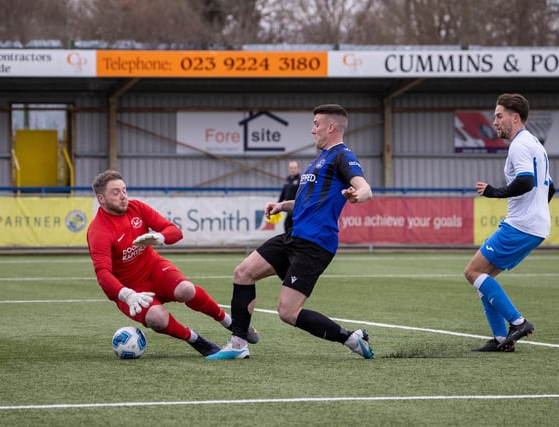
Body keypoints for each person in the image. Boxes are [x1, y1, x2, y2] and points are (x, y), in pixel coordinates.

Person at [206, 104, 375, 360]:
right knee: (243, 272)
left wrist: (356, 195)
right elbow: (306, 204)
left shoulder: (343, 156)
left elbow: (365, 189)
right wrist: (281, 206)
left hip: (315, 244)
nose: (312, 129)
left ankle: (351, 338)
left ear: (330, 127)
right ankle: (238, 344)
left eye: (316, 124)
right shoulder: (318, 160)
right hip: (294, 237)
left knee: (288, 313)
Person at [87, 169, 259, 356]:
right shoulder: (99, 231)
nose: (123, 196)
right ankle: (196, 339)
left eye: (124, 190)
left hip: (154, 269)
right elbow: (103, 273)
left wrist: (160, 237)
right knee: (156, 318)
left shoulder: (137, 208)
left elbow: (175, 231)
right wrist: (126, 295)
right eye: (116, 192)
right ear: (101, 199)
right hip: (132, 289)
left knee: (186, 289)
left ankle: (228, 321)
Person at [464, 93, 555, 352]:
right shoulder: (535, 144)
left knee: (472, 272)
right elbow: (550, 187)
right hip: (532, 225)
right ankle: (501, 340)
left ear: (515, 118)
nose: (495, 121)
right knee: (485, 275)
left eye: (499, 116)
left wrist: (494, 192)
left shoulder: (519, 145)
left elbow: (526, 181)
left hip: (521, 225)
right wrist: (536, 211)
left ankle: (518, 322)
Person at [277, 160, 301, 233]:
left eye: (294, 168)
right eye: (291, 168)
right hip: (289, 209)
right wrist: (278, 204)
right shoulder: (287, 180)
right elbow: (283, 193)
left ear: (298, 169)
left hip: (296, 208)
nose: (292, 170)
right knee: (287, 225)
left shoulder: (301, 180)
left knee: (293, 226)